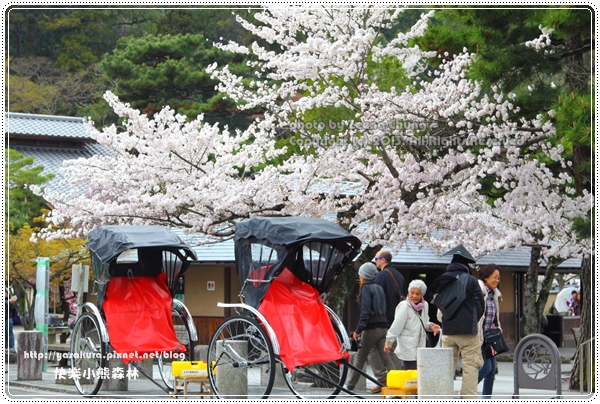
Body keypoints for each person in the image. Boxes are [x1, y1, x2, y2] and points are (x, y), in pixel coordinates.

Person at [431, 244, 485, 399]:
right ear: (466, 265)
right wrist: (473, 319)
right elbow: (480, 305)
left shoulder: (444, 279)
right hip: (468, 330)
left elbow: (439, 304)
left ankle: (443, 397)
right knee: (470, 367)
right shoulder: (471, 280)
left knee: (447, 368)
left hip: (448, 330)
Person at [344, 262, 395, 393]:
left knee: (360, 358)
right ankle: (396, 383)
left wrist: (358, 330)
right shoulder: (379, 287)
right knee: (386, 357)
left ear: (363, 275)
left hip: (371, 328)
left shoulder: (365, 289)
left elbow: (365, 313)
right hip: (383, 327)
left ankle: (349, 386)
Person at [367, 250, 405, 392]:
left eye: (376, 258)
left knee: (370, 347)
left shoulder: (381, 276)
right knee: (392, 350)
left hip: (383, 318)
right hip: (397, 317)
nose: (375, 261)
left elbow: (376, 298)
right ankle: (396, 380)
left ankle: (383, 379)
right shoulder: (399, 275)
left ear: (383, 260)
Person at [384, 279, 441, 369]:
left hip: (421, 346)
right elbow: (396, 326)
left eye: (417, 294)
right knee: (410, 373)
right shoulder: (404, 306)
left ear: (422, 295)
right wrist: (389, 342)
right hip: (407, 347)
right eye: (412, 293)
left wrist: (431, 326)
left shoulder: (425, 305)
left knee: (419, 374)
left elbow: (425, 322)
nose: (414, 296)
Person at [477, 264, 503, 399]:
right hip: (479, 337)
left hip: (490, 338)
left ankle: (486, 398)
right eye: (494, 277)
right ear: (486, 277)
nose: (497, 280)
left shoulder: (494, 294)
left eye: (498, 278)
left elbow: (495, 317)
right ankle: (466, 389)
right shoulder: (480, 293)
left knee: (492, 371)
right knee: (486, 368)